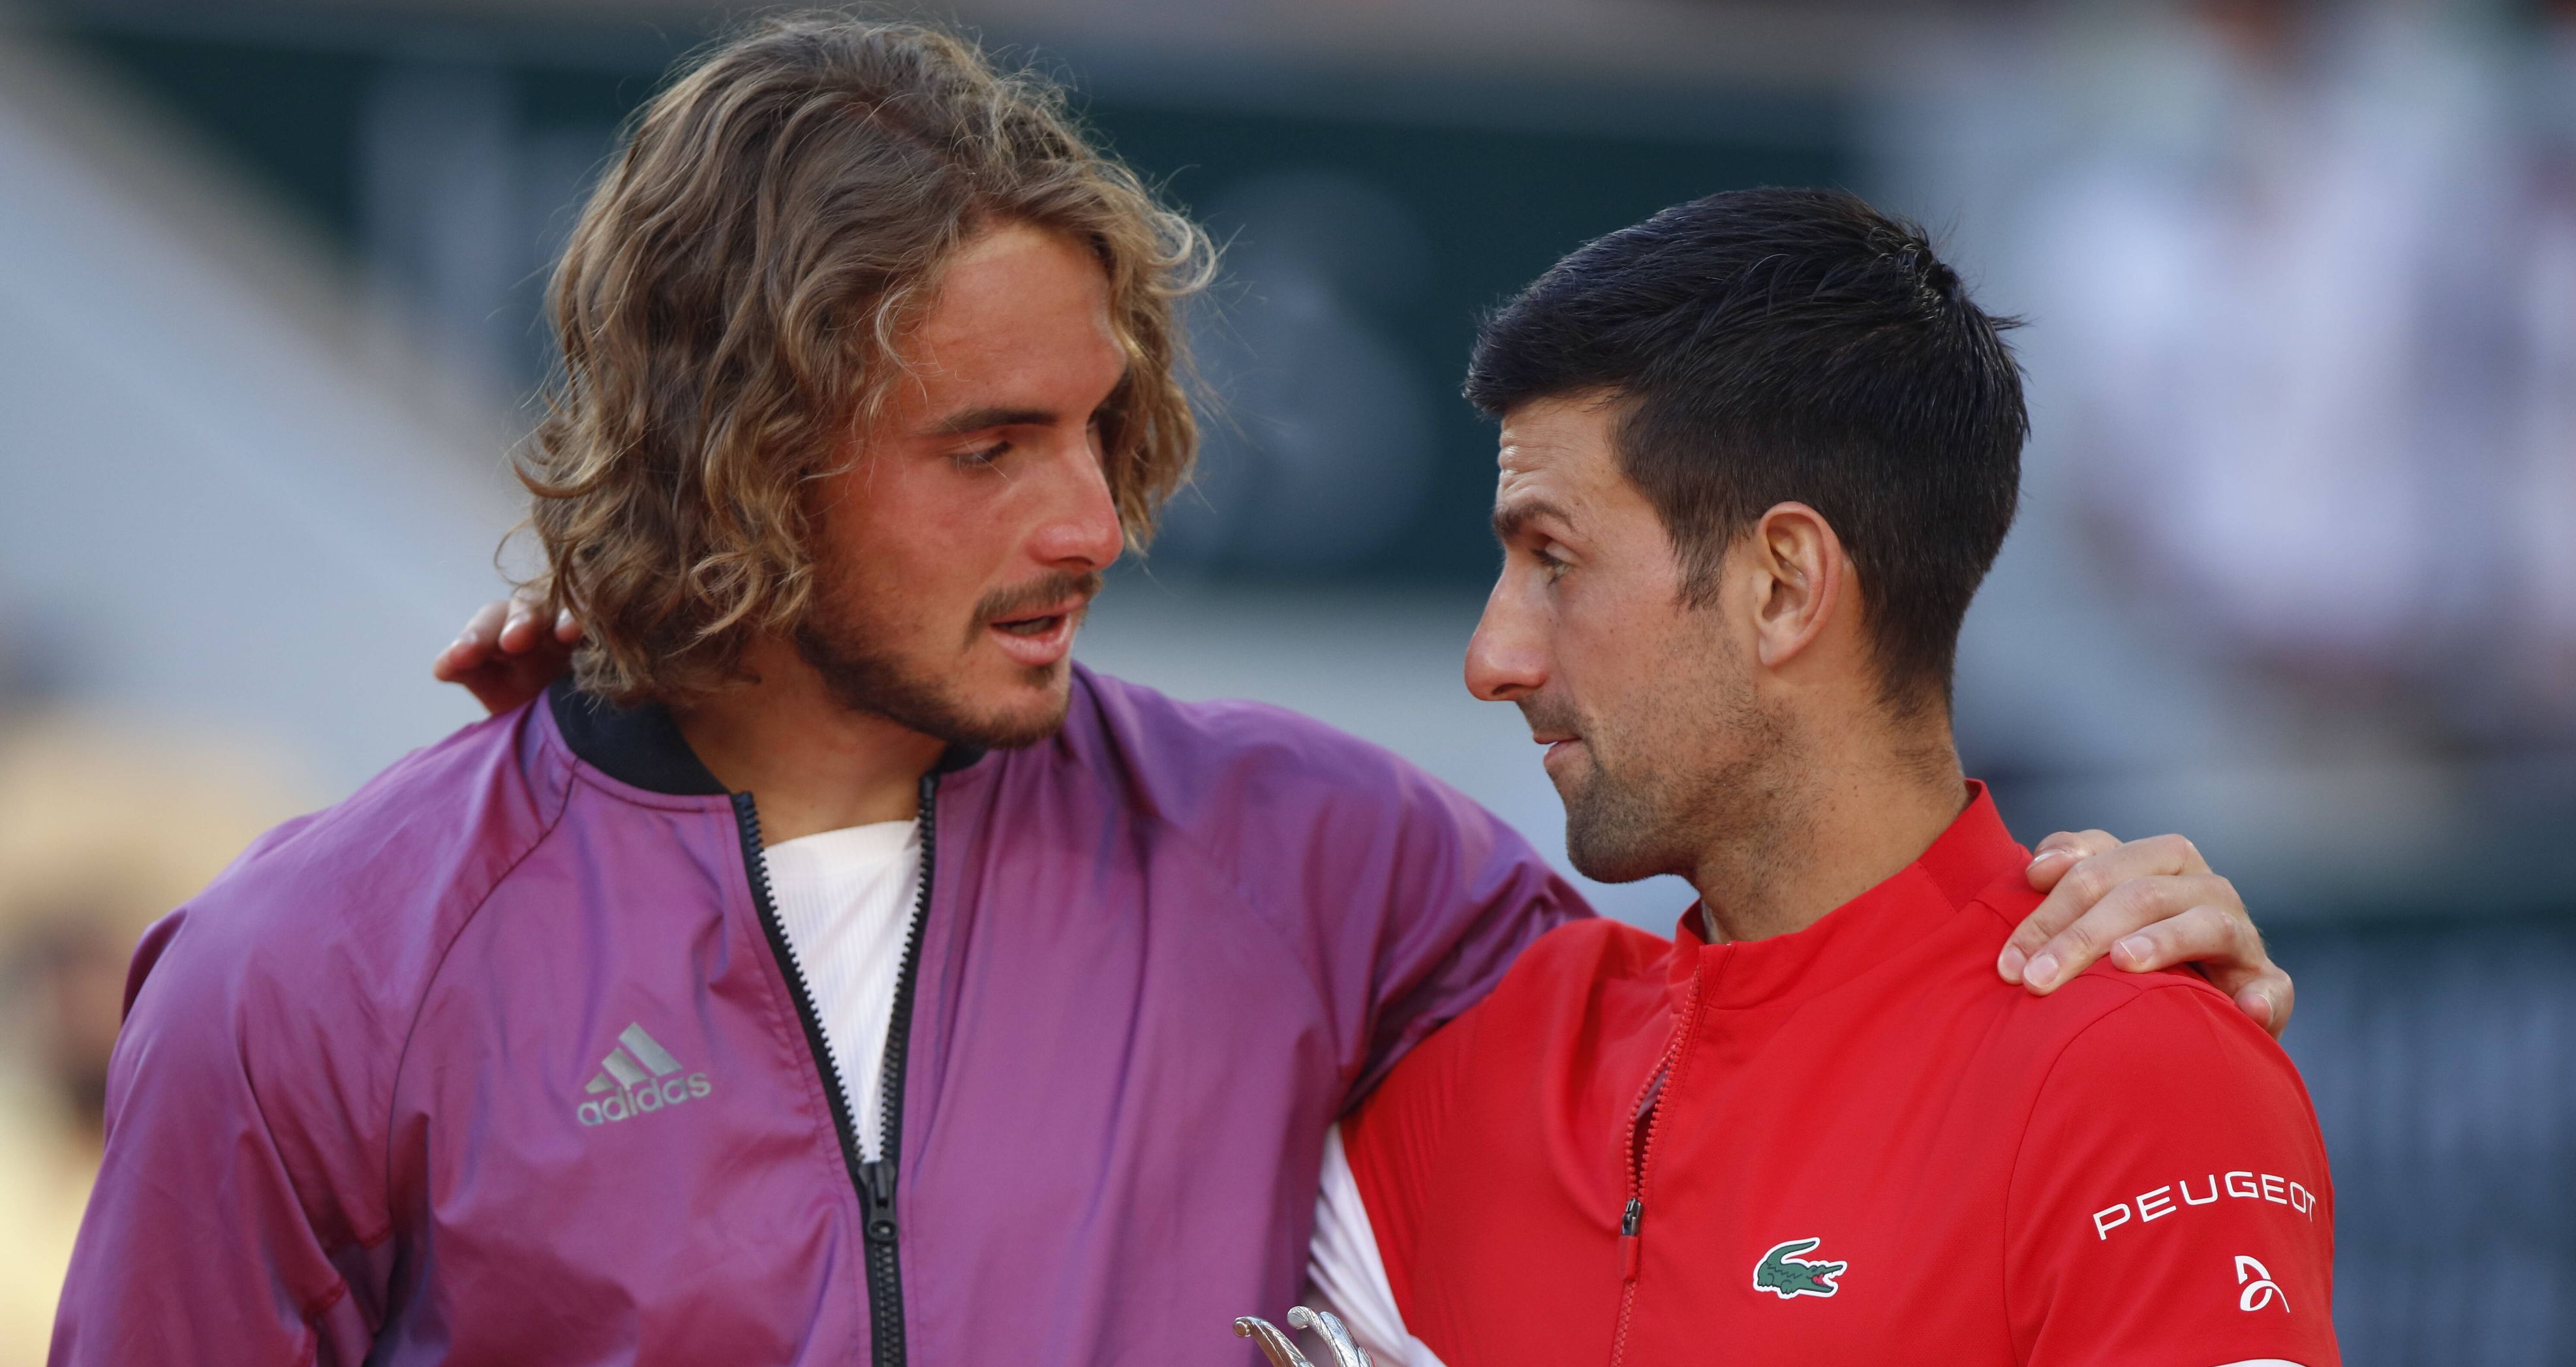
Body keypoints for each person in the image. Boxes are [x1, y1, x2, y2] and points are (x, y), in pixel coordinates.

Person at [54, 18, 2288, 1367]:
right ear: (744, 453)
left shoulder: (1321, 865)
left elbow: (1801, 1003)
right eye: (987, 447)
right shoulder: (314, 966)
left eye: (1101, 433)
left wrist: (2094, 942)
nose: (1089, 525)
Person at [1308, 189, 2337, 1367]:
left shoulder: (2132, 1074)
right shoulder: (1479, 1057)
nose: (1495, 658)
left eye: (1555, 560)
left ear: (1785, 586)